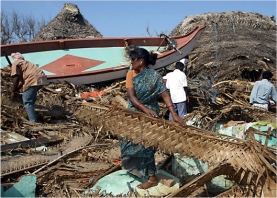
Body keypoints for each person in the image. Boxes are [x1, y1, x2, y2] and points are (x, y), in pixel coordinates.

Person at [120, 46, 186, 190]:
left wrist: (174, 115)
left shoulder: (154, 76)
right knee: (128, 142)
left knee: (148, 145)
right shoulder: (131, 74)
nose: (131, 62)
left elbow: (165, 94)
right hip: (135, 113)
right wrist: (144, 109)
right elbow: (131, 96)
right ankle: (137, 168)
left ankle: (151, 177)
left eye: (133, 60)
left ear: (141, 61)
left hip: (151, 115)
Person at [10, 52, 48, 122]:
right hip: (42, 79)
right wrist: (16, 90)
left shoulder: (16, 63)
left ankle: (33, 121)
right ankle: (33, 116)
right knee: (31, 100)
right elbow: (22, 81)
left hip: (32, 80)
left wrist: (13, 91)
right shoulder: (27, 63)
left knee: (27, 101)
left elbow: (16, 78)